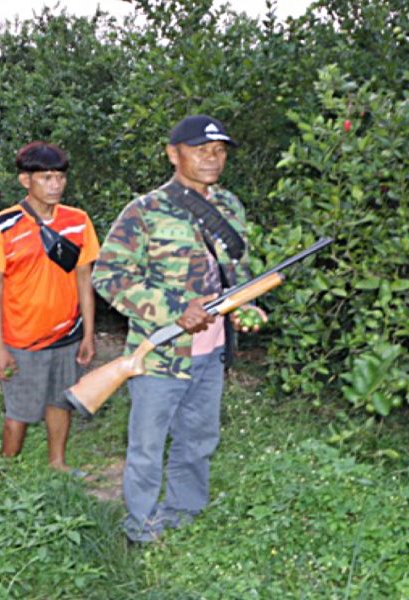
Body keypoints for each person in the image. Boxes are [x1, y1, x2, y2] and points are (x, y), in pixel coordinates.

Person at [92, 115, 268, 544]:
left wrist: (248, 304)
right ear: (173, 154)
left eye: (220, 149)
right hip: (159, 350)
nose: (212, 157)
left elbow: (236, 273)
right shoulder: (145, 210)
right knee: (148, 446)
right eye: (200, 148)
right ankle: (141, 527)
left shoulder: (230, 206)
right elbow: (108, 276)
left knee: (199, 436)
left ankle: (186, 512)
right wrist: (174, 309)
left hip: (211, 350)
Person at [0, 141, 99, 471]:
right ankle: (5, 471)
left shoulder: (78, 221)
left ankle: (57, 464)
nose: (55, 185)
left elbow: (84, 279)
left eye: (60, 177)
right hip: (22, 339)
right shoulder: (0, 225)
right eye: (46, 178)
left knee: (61, 402)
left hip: (68, 333)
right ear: (25, 181)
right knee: (19, 411)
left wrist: (88, 334)